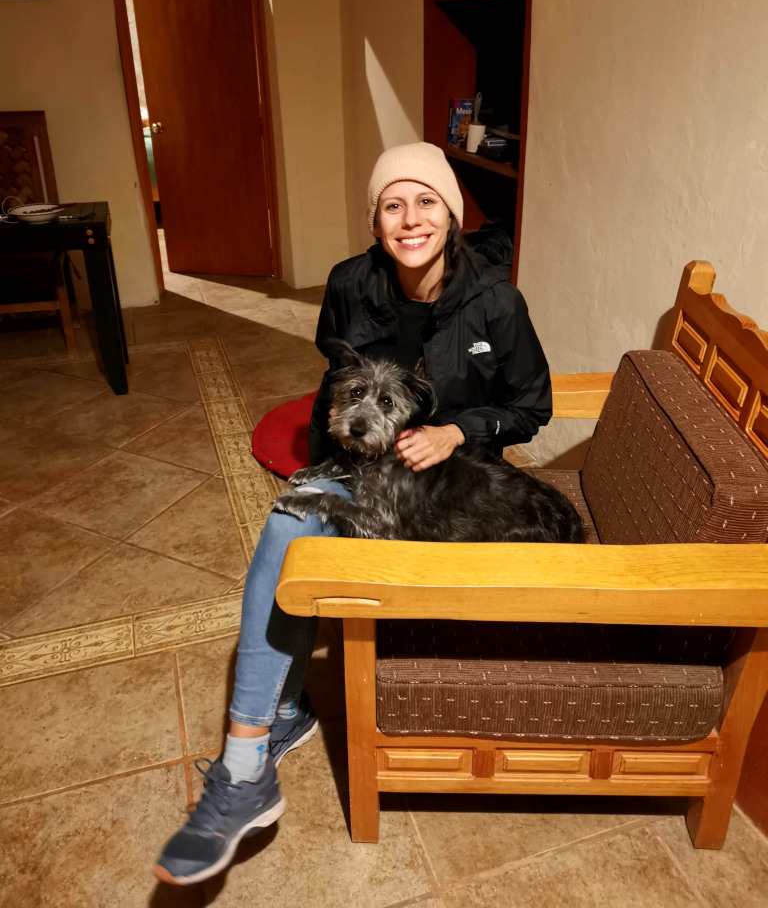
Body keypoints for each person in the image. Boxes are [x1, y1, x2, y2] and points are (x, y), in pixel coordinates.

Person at [155, 142, 552, 885]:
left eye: (427, 201)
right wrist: (322, 461)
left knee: (335, 536)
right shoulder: (349, 284)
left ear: (452, 215)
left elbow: (534, 407)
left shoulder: (497, 299)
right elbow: (335, 377)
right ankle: (246, 764)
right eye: (392, 205)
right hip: (352, 465)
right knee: (285, 523)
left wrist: (459, 430)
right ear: (375, 221)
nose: (410, 219)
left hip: (452, 480)